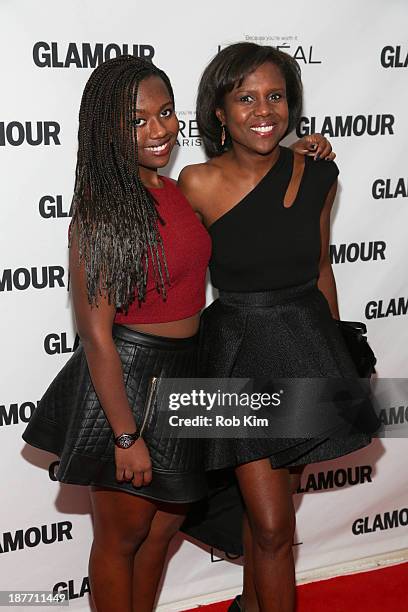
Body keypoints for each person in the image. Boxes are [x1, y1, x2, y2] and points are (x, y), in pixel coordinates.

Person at [22, 54, 331, 612]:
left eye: (164, 113)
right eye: (137, 121)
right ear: (106, 129)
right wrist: (124, 435)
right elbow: (95, 337)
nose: (160, 130)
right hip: (131, 383)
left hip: (190, 372)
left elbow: (251, 192)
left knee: (161, 534)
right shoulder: (100, 213)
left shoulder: (174, 190)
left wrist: (300, 154)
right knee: (121, 541)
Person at [179, 43, 376, 612]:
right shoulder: (196, 183)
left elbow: (321, 269)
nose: (263, 110)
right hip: (238, 356)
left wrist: (341, 358)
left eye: (275, 96)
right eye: (245, 97)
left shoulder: (319, 174)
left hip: (306, 347)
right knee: (271, 527)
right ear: (218, 111)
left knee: (269, 522)